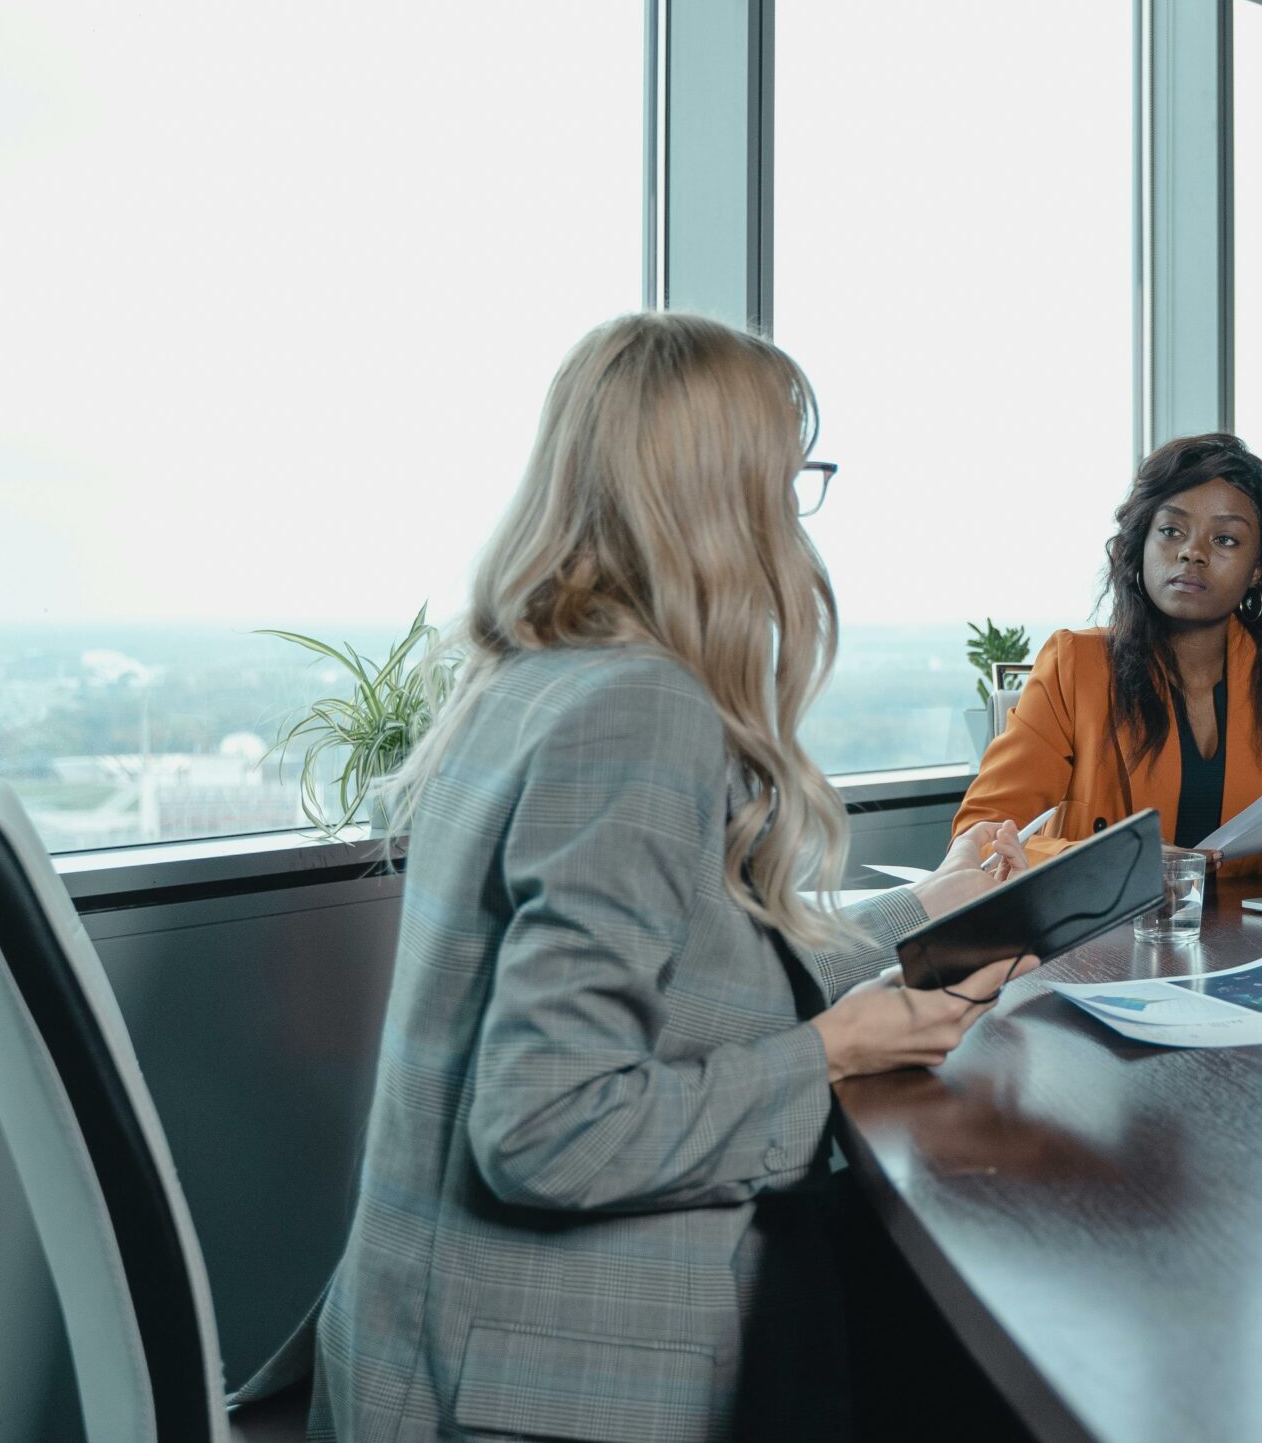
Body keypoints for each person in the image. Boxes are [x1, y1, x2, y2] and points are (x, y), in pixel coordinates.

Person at [302, 314, 1033, 1443]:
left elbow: (692, 975)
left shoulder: (541, 681)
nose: (799, 514)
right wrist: (839, 1048)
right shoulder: (637, 715)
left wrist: (924, 912)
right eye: (790, 478)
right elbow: (548, 1129)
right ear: (722, 497)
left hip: (441, 1342)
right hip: (534, 1388)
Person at [957, 433, 1262, 882]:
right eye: (1171, 531)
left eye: (1226, 540)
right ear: (1141, 547)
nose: (1192, 552)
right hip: (1116, 942)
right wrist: (1114, 860)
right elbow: (980, 838)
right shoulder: (1075, 665)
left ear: (1257, 569)